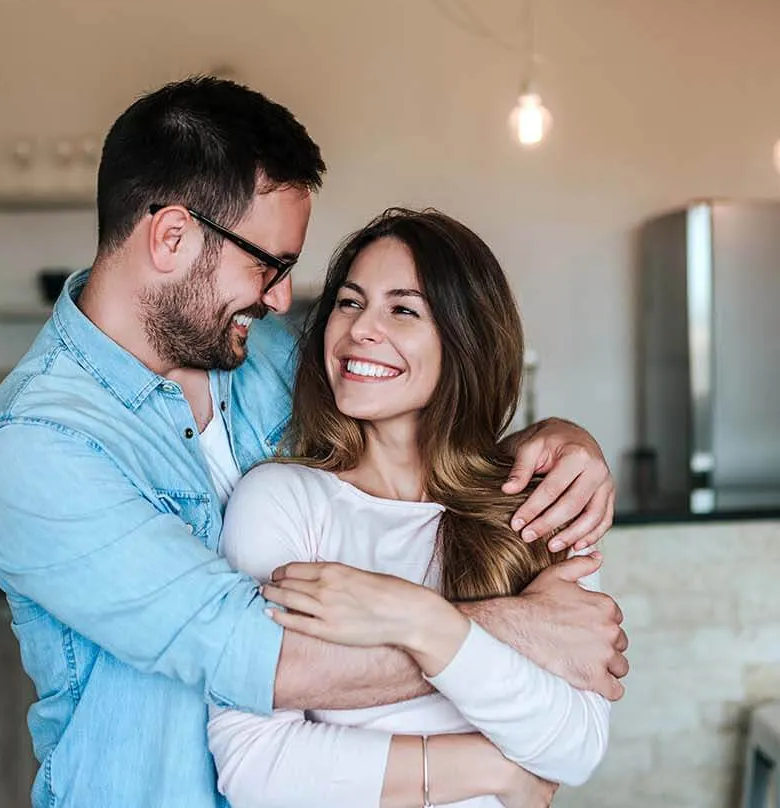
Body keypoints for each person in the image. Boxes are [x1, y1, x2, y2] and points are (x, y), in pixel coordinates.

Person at [0, 76, 627, 808]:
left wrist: (560, 439)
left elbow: (422, 390)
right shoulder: (34, 448)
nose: (282, 298)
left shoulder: (264, 353)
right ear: (172, 236)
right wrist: (513, 630)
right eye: (267, 264)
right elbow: (260, 657)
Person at [208, 209, 610, 808]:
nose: (361, 330)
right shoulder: (281, 500)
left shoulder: (538, 503)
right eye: (349, 302)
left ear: (465, 340)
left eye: (403, 309)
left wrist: (417, 619)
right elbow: (255, 764)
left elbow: (576, 746)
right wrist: (493, 768)